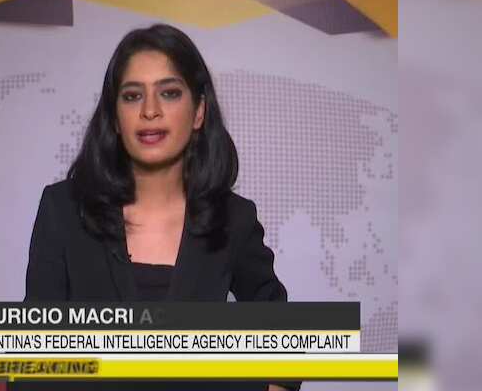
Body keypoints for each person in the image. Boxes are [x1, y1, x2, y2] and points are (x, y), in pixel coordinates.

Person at [15, 23, 301, 391]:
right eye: (132, 96)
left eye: (169, 93)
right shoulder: (63, 210)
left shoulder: (234, 219)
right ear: (115, 117)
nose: (150, 110)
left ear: (199, 112)